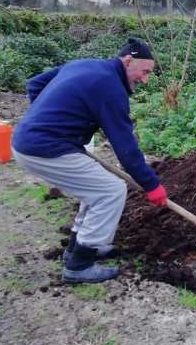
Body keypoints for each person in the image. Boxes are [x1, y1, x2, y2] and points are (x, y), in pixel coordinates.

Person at [11, 37, 168, 283]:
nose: (146, 79)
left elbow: (35, 85)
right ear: (128, 61)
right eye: (145, 72)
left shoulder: (84, 64)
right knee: (111, 190)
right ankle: (79, 265)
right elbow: (126, 148)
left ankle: (79, 246)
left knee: (95, 188)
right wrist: (151, 185)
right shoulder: (111, 90)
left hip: (30, 142)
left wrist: (54, 122)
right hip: (43, 147)